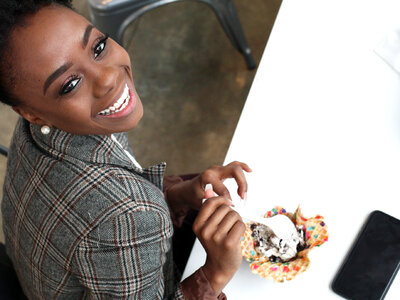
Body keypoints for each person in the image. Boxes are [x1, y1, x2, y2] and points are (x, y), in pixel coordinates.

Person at [0, 1, 252, 299]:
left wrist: (181, 194)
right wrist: (215, 273)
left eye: (97, 47)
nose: (107, 78)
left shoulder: (39, 126)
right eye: (69, 84)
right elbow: (119, 218)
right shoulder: (124, 218)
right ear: (31, 114)